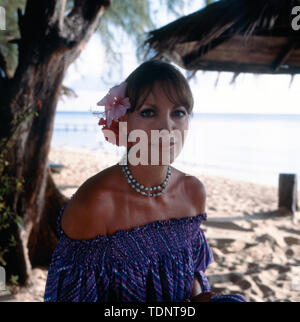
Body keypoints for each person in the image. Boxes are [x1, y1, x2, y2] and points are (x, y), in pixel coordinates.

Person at [44, 60, 246, 302]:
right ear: (123, 123)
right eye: (149, 112)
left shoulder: (193, 192)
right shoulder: (95, 203)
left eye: (179, 113)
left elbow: (192, 274)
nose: (167, 126)